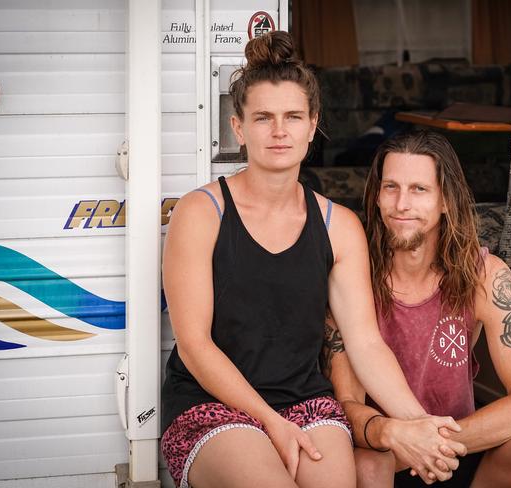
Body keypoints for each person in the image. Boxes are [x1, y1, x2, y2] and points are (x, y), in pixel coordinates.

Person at [160, 33, 465, 488]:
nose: (279, 131)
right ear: (238, 128)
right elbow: (194, 346)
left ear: (312, 124)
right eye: (263, 118)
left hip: (306, 401)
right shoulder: (201, 212)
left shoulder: (338, 225)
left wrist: (419, 424)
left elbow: (364, 342)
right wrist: (268, 421)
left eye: (293, 117)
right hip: (210, 403)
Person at [323, 130, 511, 487]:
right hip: (388, 458)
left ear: (446, 200)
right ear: (377, 197)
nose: (402, 204)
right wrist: (397, 435)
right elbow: (346, 404)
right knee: (366, 465)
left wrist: (435, 442)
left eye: (419, 190)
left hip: (462, 453)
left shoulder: (485, 276)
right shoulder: (352, 277)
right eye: (391, 187)